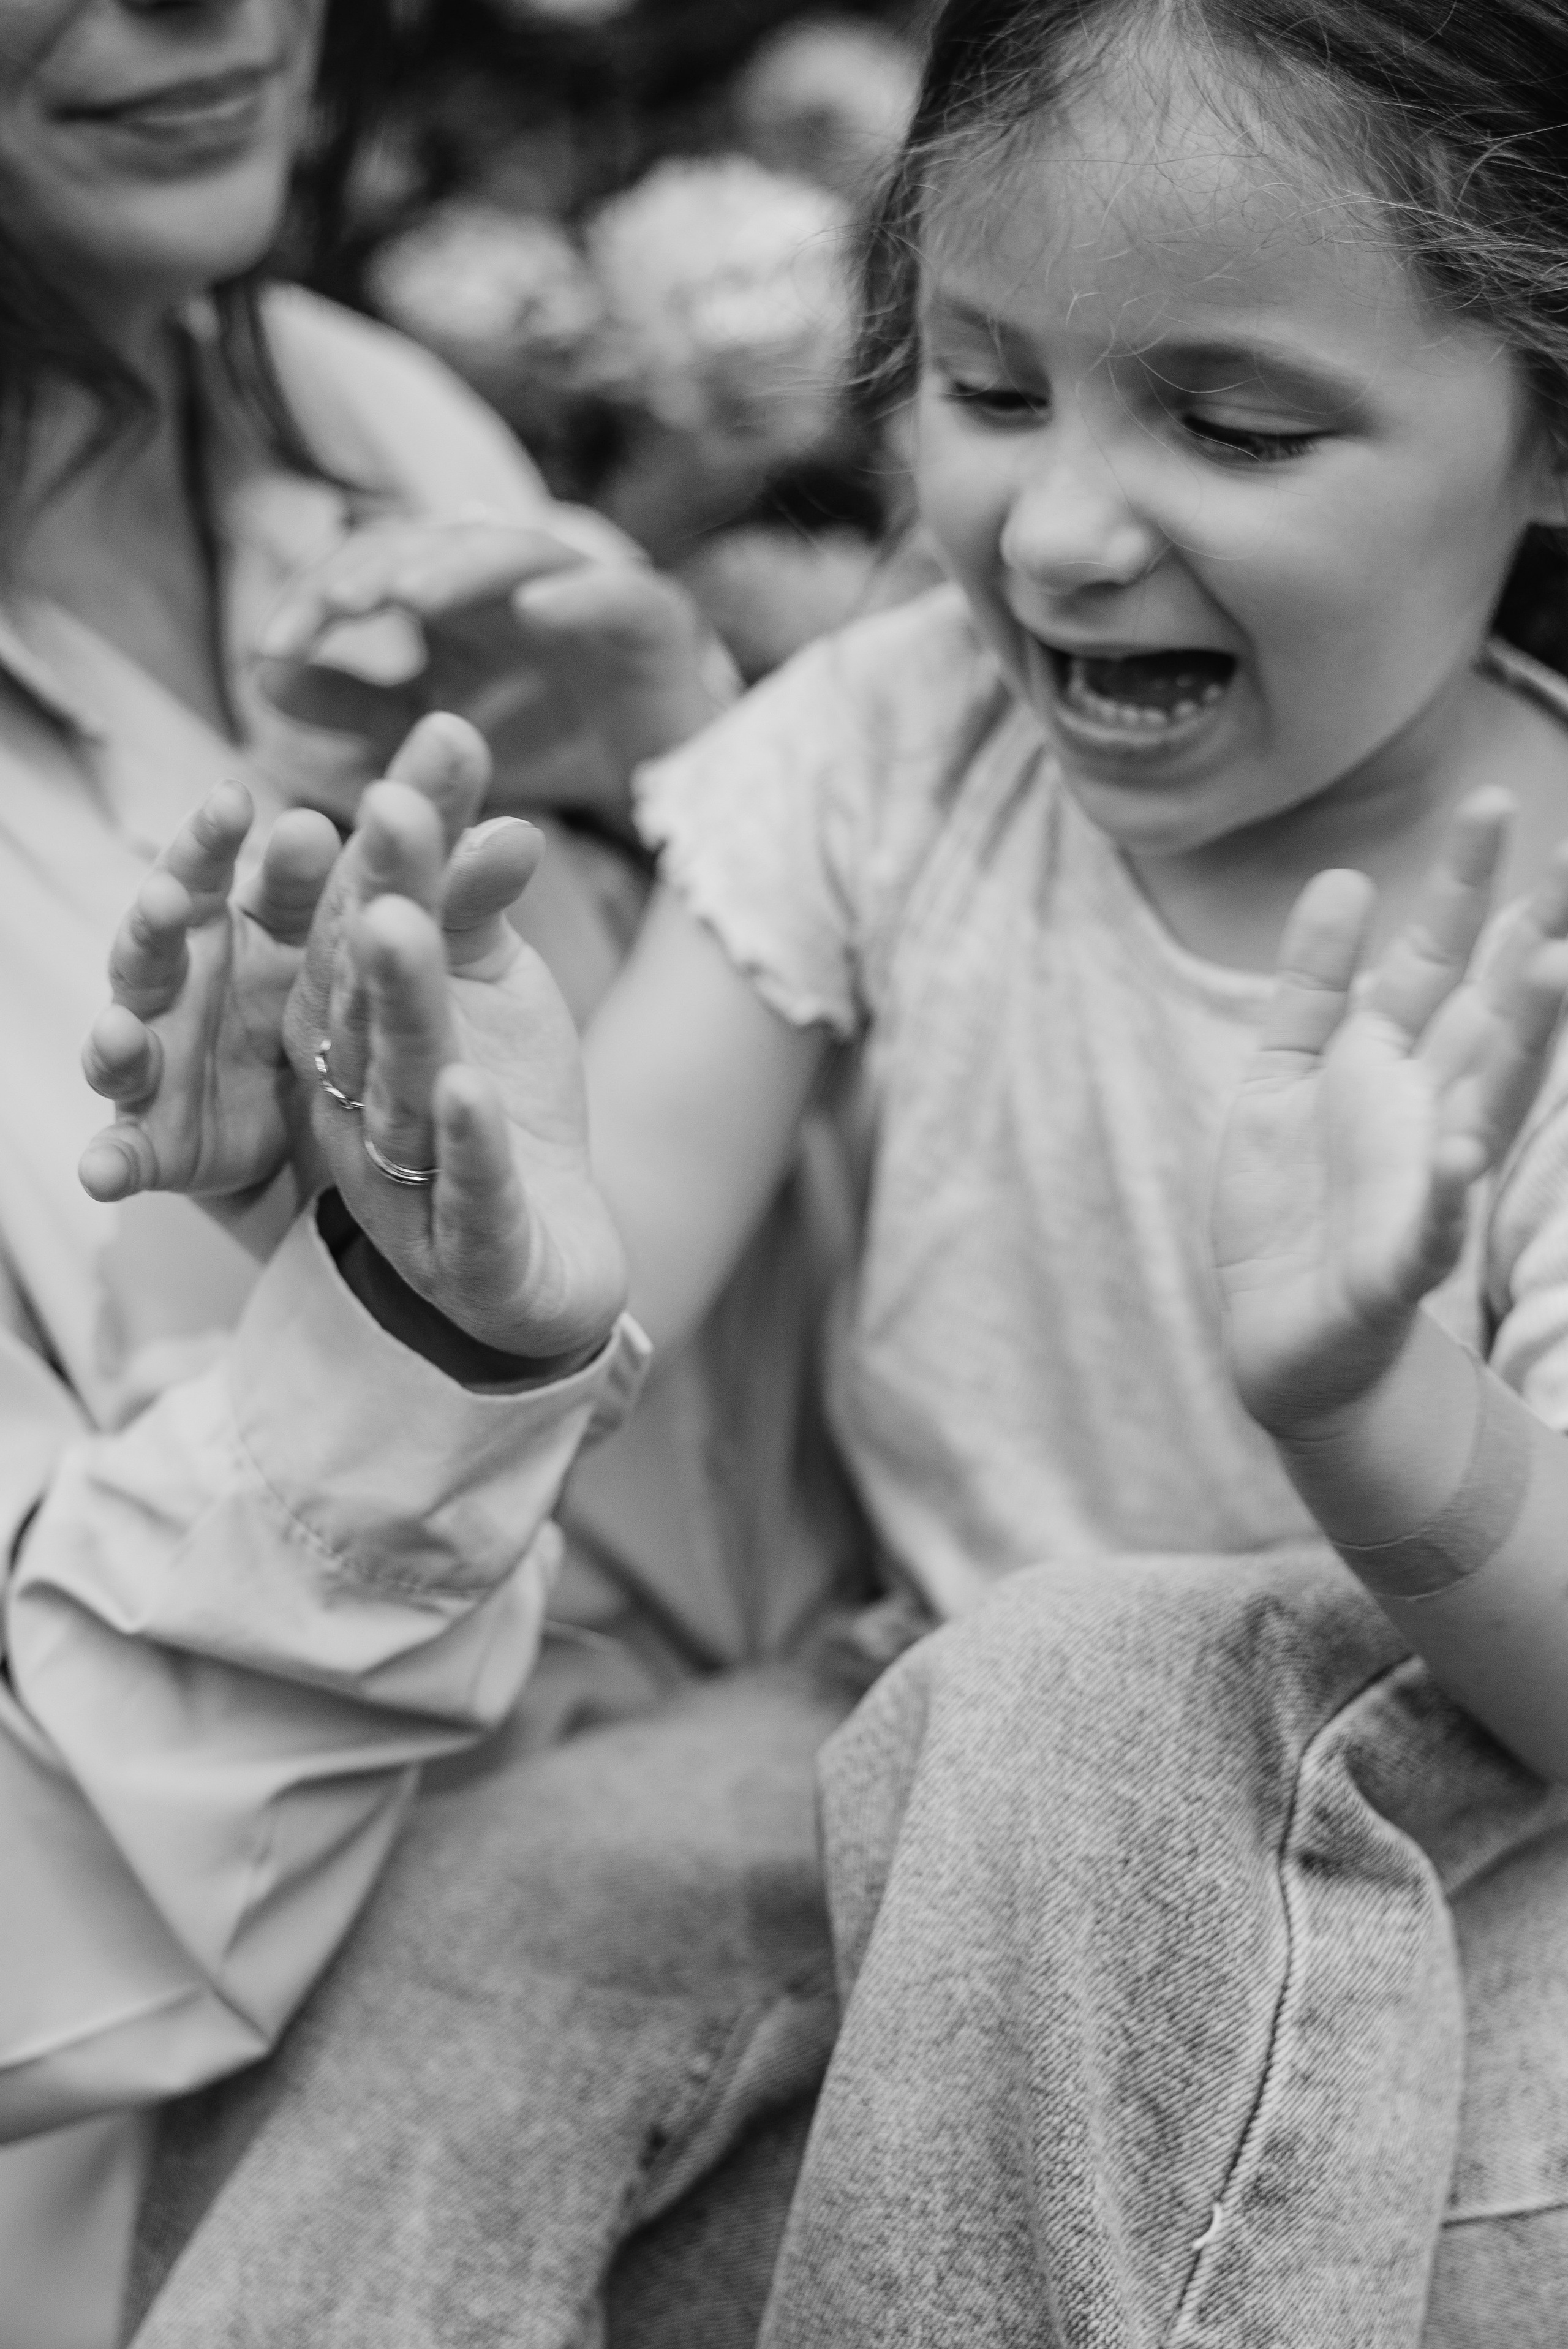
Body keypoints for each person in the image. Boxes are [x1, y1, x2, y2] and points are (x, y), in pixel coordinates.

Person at [102, 1, 1568, 2343]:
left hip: (1442, 1774)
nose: (1059, 529)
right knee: (492, 1915)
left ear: (1547, 432)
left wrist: (1372, 1404)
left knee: (1071, 1693)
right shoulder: (897, 743)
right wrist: (424, 1209)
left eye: (1232, 426)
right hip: (902, 1680)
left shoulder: (1541, 947)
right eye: (987, 389)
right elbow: (610, 1241)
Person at [0, 2, 816, 2341]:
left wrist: (692, 804)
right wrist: (394, 1350)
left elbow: (827, 1387)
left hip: (758, 2003)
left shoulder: (372, 425)